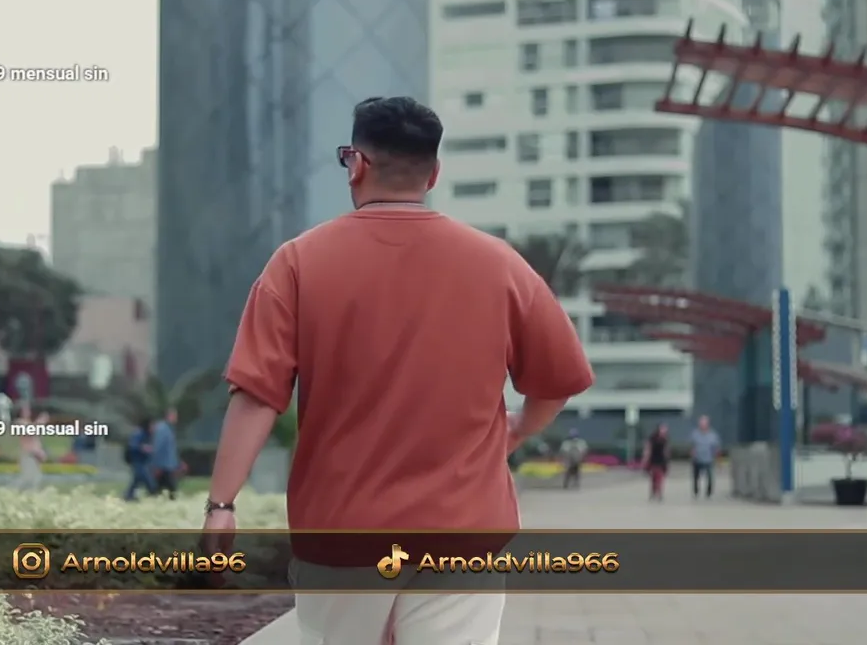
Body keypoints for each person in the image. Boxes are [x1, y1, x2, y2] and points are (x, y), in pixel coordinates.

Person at [202, 97, 594, 645]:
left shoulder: (297, 262)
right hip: (463, 533)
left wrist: (222, 505)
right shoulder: (499, 264)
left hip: (341, 537)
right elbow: (557, 380)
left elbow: (256, 394)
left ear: (356, 164)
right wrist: (517, 429)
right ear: (433, 174)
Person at [149, 408, 180, 499]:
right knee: (170, 488)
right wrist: (156, 465)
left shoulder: (169, 429)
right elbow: (158, 447)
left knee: (162, 488)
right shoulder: (162, 429)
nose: (176, 419)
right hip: (163, 466)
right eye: (174, 416)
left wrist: (177, 463)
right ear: (169, 416)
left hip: (168, 465)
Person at [123, 418, 156, 501]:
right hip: (137, 461)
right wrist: (143, 448)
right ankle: (153, 493)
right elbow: (133, 446)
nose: (154, 428)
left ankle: (129, 495)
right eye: (152, 425)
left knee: (137, 480)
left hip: (143, 461)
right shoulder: (139, 433)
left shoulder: (148, 435)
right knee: (147, 480)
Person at [690, 415, 721, 499]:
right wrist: (692, 454)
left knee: (710, 477)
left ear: (707, 424)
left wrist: (718, 458)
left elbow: (716, 447)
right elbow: (692, 446)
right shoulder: (695, 434)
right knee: (696, 477)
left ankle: (709, 492)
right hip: (697, 459)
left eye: (704, 423)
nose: (702, 425)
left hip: (709, 459)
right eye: (701, 423)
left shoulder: (713, 435)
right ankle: (696, 491)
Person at [17, 408, 48, 489]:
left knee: (36, 479)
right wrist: (39, 422)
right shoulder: (20, 422)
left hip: (35, 456)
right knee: (27, 479)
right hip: (28, 455)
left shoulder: (30, 424)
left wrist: (40, 452)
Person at [642, 423, 670, 501]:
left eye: (665, 431)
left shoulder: (665, 439)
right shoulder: (652, 438)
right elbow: (648, 448)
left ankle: (659, 493)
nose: (664, 432)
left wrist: (667, 460)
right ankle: (653, 492)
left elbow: (666, 450)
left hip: (661, 461)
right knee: (653, 478)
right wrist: (645, 459)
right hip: (653, 460)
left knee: (660, 478)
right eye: (663, 430)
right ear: (659, 430)